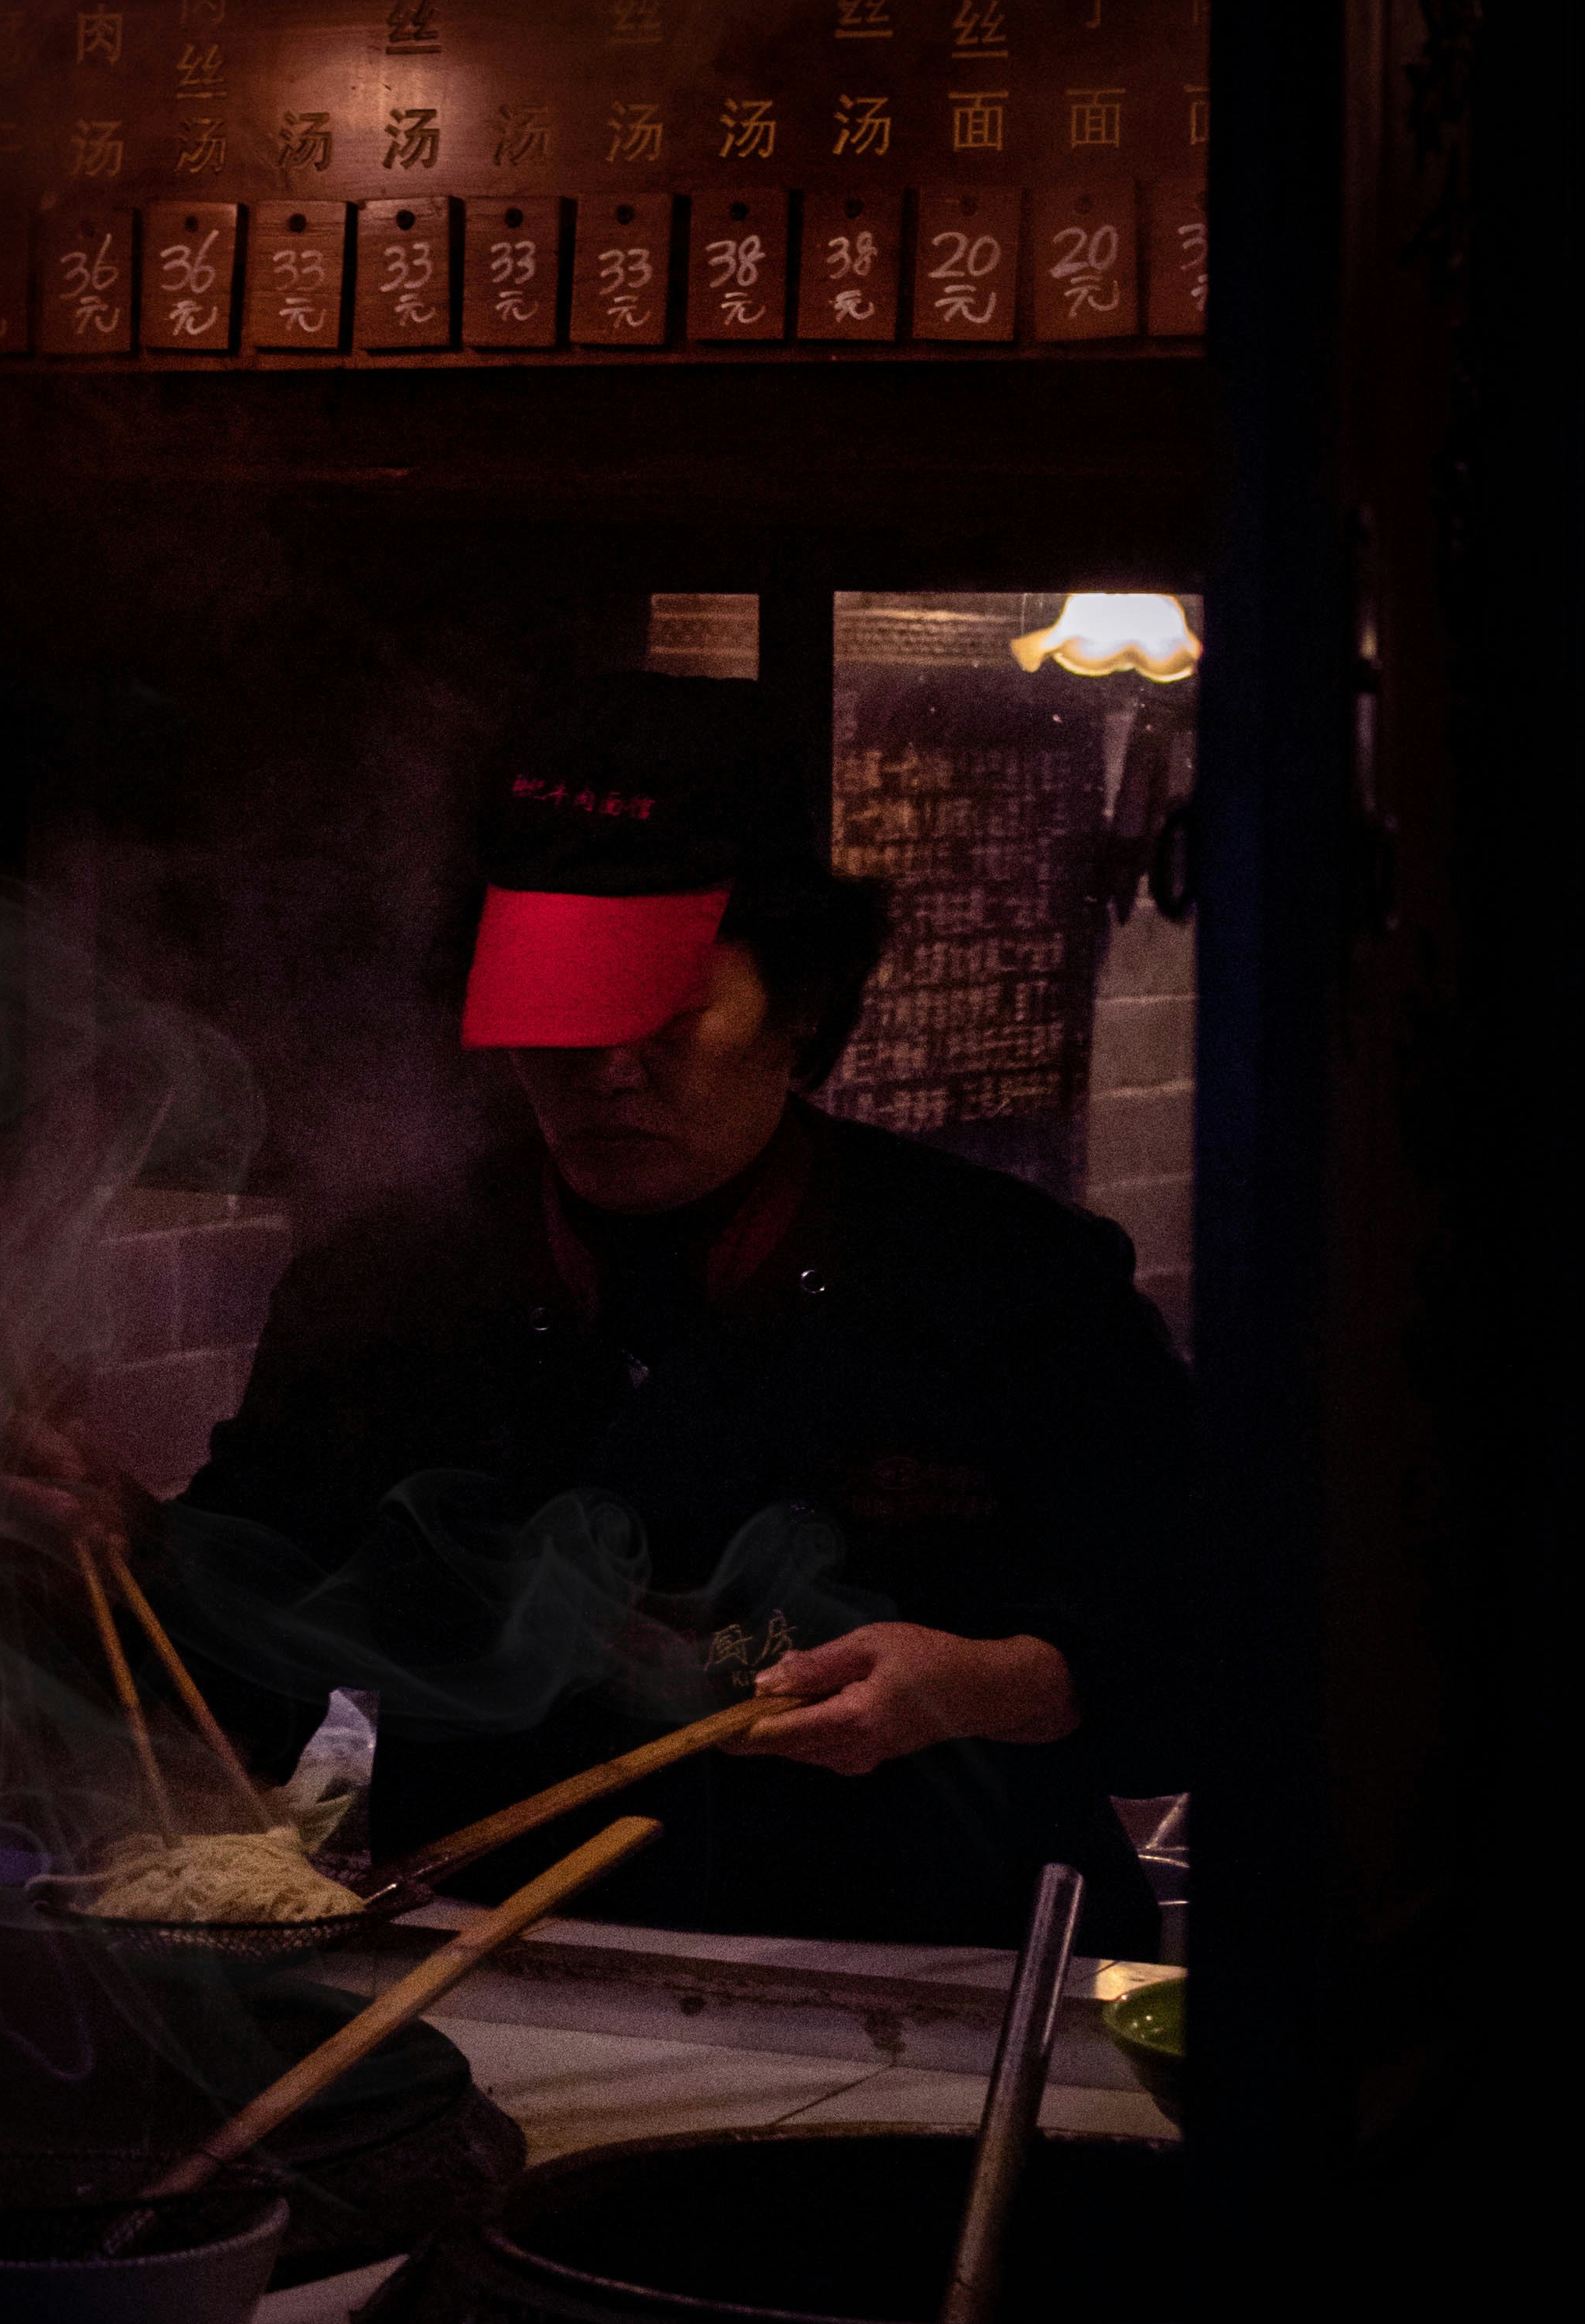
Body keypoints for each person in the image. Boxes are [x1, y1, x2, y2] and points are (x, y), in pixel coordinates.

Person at [157, 671, 1196, 1956]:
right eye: (557, 1014)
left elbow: (1208, 1648)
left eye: (665, 1014)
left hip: (943, 1977)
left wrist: (1003, 1682)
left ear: (804, 1004)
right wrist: (102, 1564)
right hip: (512, 1979)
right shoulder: (397, 1277)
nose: (605, 1070)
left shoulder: (1006, 1273)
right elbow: (238, 1647)